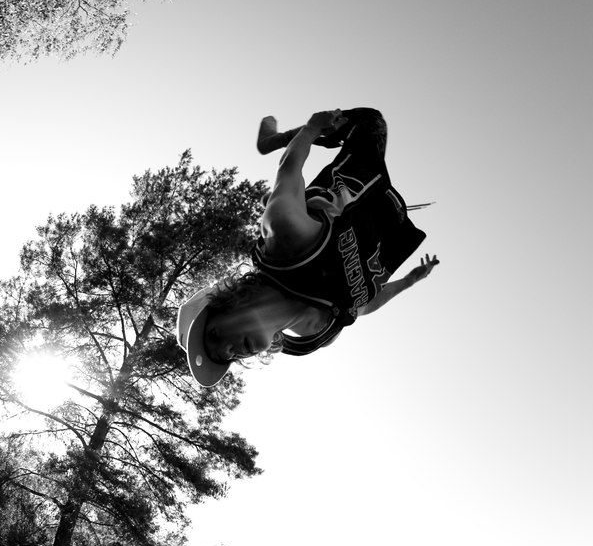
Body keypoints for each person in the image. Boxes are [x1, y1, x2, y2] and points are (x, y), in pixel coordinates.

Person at [176, 107, 439, 386]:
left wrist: (313, 127)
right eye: (224, 358)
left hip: (357, 177)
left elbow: (290, 168)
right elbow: (364, 305)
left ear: (226, 303)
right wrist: (409, 281)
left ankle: (272, 141)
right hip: (386, 217)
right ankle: (284, 150)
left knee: (370, 120)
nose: (230, 351)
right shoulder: (315, 332)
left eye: (214, 335)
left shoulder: (285, 237)